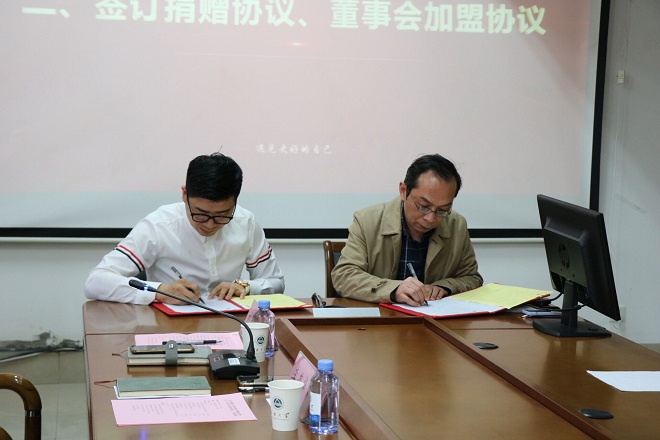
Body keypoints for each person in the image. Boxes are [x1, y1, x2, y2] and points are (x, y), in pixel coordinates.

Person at [84, 152, 284, 305]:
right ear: (184, 194)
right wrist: (161, 291)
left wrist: (246, 287)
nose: (209, 224)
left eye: (222, 215)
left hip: (230, 323)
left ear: (235, 202)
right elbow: (96, 282)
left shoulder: (246, 222)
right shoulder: (158, 226)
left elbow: (276, 281)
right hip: (169, 329)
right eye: (200, 214)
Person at [331, 154, 482, 306]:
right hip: (381, 317)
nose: (430, 218)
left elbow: (472, 278)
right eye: (423, 206)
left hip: (431, 318)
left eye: (442, 210)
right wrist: (393, 289)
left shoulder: (457, 225)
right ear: (403, 191)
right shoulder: (367, 221)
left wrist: (445, 287)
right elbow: (343, 276)